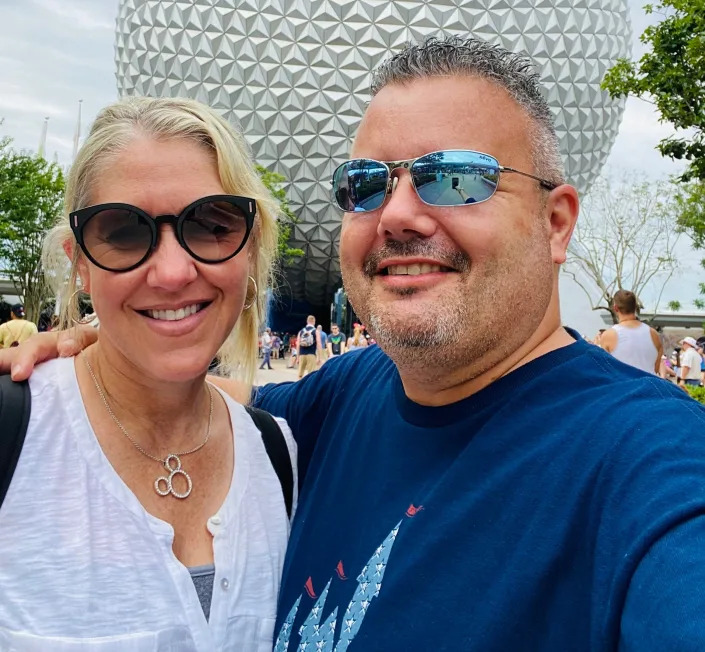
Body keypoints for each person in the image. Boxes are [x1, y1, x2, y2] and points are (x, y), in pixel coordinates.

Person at [8, 36, 705, 650]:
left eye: (455, 178)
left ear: (556, 223)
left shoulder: (647, 460)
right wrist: (104, 335)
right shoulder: (337, 406)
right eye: (366, 185)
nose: (397, 214)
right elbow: (196, 397)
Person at [0, 96, 296, 650]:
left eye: (212, 224)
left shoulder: (283, 456)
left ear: (251, 249)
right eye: (125, 232)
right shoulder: (13, 432)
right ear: (80, 261)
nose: (172, 272)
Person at [599, 290, 662, 374]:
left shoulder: (608, 335)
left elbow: (605, 369)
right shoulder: (653, 334)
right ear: (635, 307)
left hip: (623, 385)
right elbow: (656, 368)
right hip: (649, 384)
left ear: (616, 308)